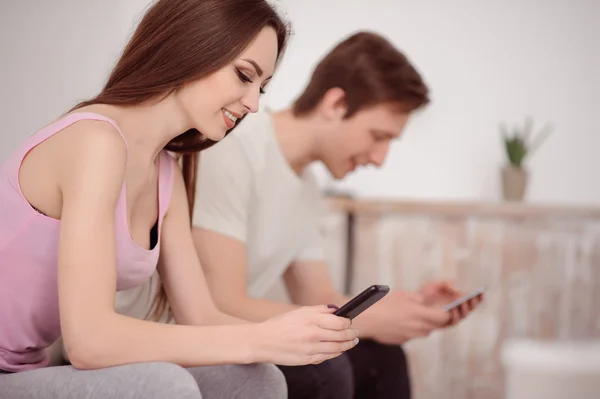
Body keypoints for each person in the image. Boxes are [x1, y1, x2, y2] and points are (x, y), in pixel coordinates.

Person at [0, 1, 361, 398]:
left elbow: (200, 316)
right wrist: (262, 339)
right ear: (191, 46)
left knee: (258, 378)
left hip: (24, 370)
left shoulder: (166, 170)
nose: (253, 104)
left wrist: (296, 331)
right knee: (163, 386)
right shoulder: (95, 142)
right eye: (244, 75)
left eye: (261, 87)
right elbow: (90, 342)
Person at [190, 31, 484, 399]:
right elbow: (222, 303)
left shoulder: (308, 186)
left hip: (243, 336)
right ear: (335, 104)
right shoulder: (236, 149)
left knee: (381, 357)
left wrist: (408, 309)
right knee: (326, 370)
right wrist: (374, 320)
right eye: (378, 136)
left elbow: (321, 296)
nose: (380, 158)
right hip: (201, 339)